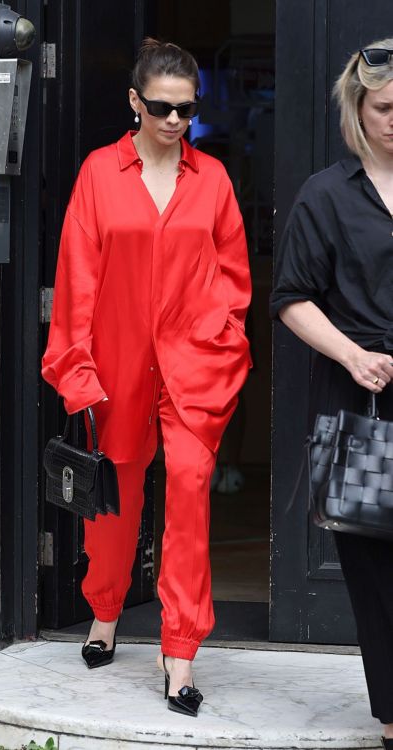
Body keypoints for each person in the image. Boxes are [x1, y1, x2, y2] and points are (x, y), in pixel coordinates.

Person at [42, 37, 251, 716]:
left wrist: (222, 342)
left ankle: (180, 651)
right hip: (116, 364)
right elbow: (76, 279)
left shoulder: (212, 179)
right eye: (160, 107)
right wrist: (77, 370)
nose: (173, 121)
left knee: (188, 498)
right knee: (115, 503)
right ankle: (105, 609)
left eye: (186, 110)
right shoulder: (101, 173)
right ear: (134, 101)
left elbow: (233, 279)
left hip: (195, 366)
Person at [270, 38, 393, 746]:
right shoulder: (325, 195)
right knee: (377, 572)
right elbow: (291, 299)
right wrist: (353, 354)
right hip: (365, 403)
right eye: (384, 108)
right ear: (358, 109)